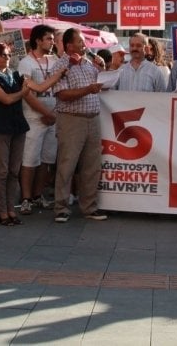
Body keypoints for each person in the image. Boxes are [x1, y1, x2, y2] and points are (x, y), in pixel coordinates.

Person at [0, 43, 63, 226]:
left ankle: (12, 209)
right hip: (1, 128)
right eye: (3, 55)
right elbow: (6, 99)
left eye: (8, 54)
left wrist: (58, 75)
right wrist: (24, 91)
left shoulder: (15, 75)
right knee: (2, 172)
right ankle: (2, 211)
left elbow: (40, 88)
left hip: (18, 127)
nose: (7, 58)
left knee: (13, 171)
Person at [52, 28, 108, 223]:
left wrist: (103, 69)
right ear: (68, 45)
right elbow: (62, 95)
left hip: (93, 118)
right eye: (80, 42)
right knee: (67, 164)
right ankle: (61, 207)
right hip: (71, 119)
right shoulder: (60, 66)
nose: (85, 45)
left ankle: (89, 207)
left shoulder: (89, 64)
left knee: (92, 166)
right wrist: (87, 90)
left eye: (84, 42)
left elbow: (104, 83)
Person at [17, 24, 59, 215]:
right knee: (29, 159)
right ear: (38, 40)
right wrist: (45, 113)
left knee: (47, 159)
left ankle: (38, 195)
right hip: (34, 118)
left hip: (53, 118)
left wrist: (53, 114)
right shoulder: (26, 62)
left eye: (52, 39)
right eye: (49, 38)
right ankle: (26, 198)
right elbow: (27, 94)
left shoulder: (55, 60)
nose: (52, 42)